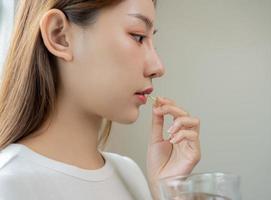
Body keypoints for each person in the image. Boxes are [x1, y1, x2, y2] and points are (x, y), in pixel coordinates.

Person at [0, 0, 201, 199]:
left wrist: (169, 191)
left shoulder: (129, 173)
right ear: (59, 35)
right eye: (138, 37)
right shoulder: (8, 184)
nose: (157, 67)